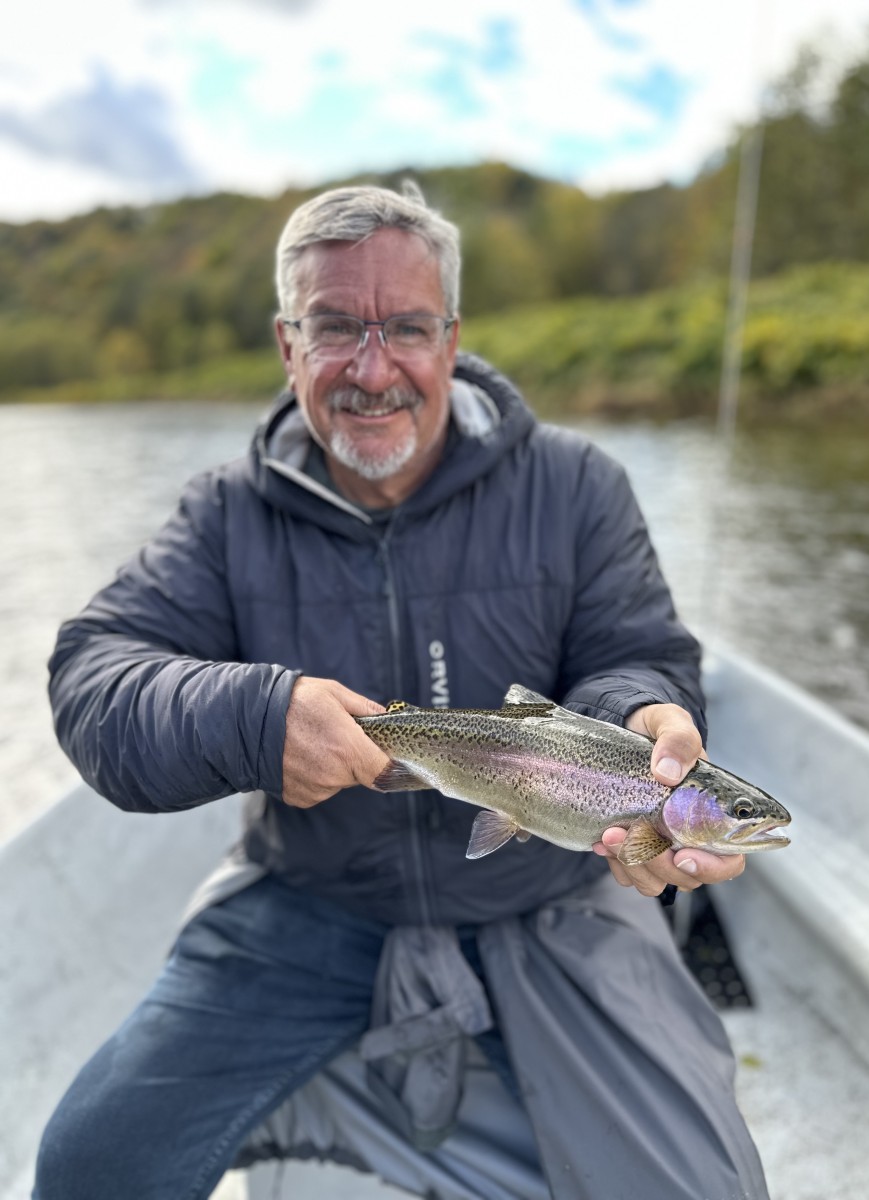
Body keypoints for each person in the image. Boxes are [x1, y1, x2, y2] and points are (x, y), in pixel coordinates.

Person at [34, 181, 768, 1200]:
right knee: (85, 1171)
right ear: (288, 346)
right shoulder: (223, 517)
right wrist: (254, 718)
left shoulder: (576, 485)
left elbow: (632, 654)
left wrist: (640, 719)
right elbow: (92, 675)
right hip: (310, 899)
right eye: (336, 328)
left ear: (452, 337)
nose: (373, 369)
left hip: (550, 900)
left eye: (407, 328)